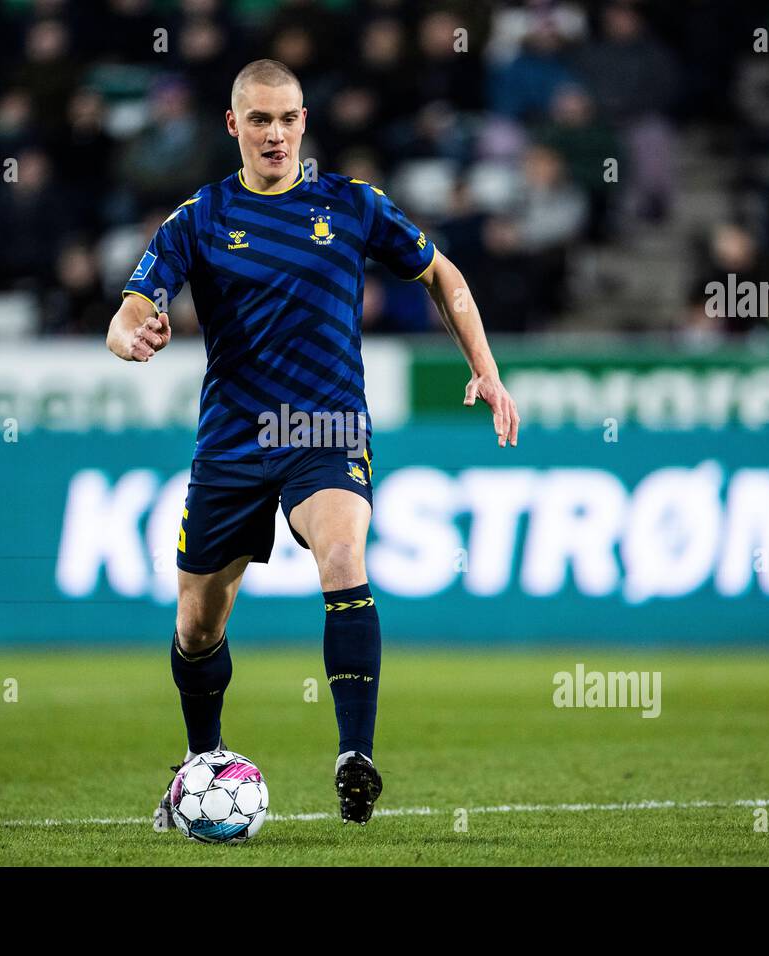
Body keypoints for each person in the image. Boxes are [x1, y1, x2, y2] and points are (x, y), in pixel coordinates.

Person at [105, 59, 520, 827]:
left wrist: (486, 371)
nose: (275, 133)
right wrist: (134, 336)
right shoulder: (197, 218)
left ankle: (354, 757)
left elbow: (443, 274)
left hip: (324, 431)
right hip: (231, 439)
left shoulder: (353, 205)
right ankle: (202, 759)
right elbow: (129, 308)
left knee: (343, 556)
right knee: (197, 628)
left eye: (288, 118)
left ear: (304, 122)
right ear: (234, 126)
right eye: (259, 120)